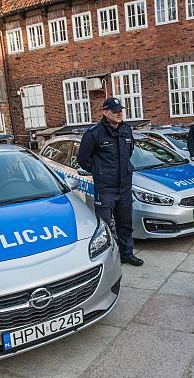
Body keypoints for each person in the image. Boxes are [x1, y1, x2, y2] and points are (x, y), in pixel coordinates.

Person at [77, 97, 143, 266]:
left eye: (120, 110)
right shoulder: (94, 133)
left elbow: (128, 152)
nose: (119, 113)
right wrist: (101, 172)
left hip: (124, 187)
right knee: (105, 227)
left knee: (125, 224)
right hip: (106, 189)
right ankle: (109, 260)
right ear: (105, 113)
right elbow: (83, 160)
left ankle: (127, 254)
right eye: (115, 111)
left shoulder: (127, 130)